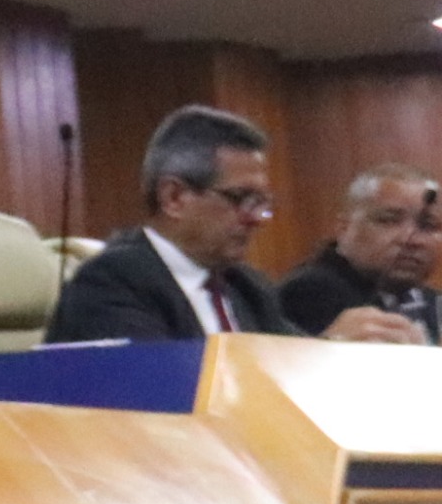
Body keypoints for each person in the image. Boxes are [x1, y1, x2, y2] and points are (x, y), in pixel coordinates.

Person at [43, 104, 411, 342]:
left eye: (261, 202)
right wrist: (327, 347)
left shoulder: (245, 286)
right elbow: (162, 391)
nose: (255, 219)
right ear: (174, 198)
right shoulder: (111, 282)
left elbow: (288, 365)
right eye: (240, 199)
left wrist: (343, 352)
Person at [278, 167, 442, 342]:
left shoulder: (429, 299)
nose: (411, 240)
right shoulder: (309, 294)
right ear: (344, 227)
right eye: (388, 220)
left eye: (428, 225)